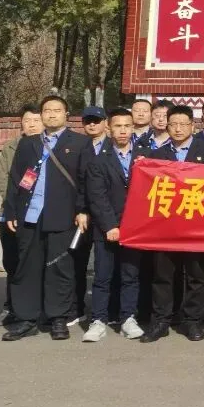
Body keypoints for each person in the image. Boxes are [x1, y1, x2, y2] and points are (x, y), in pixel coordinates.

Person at [2, 95, 95, 341]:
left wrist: (83, 209)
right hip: (29, 215)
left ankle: (58, 318)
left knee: (59, 268)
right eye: (47, 110)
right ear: (41, 115)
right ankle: (26, 318)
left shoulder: (80, 143)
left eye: (57, 110)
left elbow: (87, 180)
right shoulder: (29, 143)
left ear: (67, 115)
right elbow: (16, 179)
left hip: (63, 216)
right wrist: (11, 211)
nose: (52, 114)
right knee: (27, 267)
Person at [142, 105, 204, 343]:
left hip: (197, 223)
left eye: (183, 124)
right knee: (163, 274)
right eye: (173, 124)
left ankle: (192, 320)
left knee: (195, 274)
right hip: (166, 225)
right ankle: (161, 320)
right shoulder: (156, 155)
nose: (177, 129)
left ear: (192, 126)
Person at [82, 108, 144, 343]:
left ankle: (128, 317)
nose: (123, 131)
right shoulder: (99, 160)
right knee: (102, 277)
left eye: (127, 126)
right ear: (109, 128)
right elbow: (97, 197)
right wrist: (110, 225)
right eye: (118, 126)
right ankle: (98, 320)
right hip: (106, 228)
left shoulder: (145, 156)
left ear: (133, 128)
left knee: (130, 276)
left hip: (135, 227)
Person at [0, 105, 42, 327]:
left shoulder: (50, 147)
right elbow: (4, 181)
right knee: (13, 262)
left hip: (40, 215)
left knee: (38, 263)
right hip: (11, 214)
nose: (31, 124)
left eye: (36, 120)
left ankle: (38, 308)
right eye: (27, 120)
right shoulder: (11, 147)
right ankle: (11, 306)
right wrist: (15, 207)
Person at [72, 106, 109, 323]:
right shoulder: (79, 148)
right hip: (84, 214)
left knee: (107, 264)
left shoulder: (114, 146)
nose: (92, 124)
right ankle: (77, 307)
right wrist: (81, 210)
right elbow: (77, 183)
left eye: (96, 120)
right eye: (88, 121)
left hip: (108, 213)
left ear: (105, 123)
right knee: (78, 261)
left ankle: (110, 309)